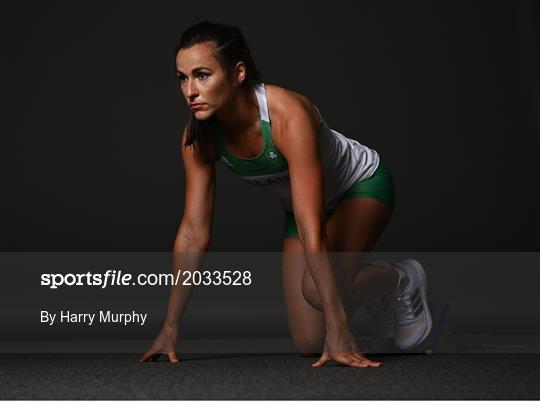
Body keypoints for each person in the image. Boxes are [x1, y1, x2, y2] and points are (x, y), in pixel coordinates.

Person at [140, 21, 432, 368]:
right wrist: (171, 327)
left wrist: (338, 329)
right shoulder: (198, 139)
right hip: (303, 209)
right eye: (182, 78)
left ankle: (400, 281)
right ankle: (365, 291)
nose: (190, 90)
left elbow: (313, 227)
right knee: (310, 341)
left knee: (315, 293)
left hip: (360, 187)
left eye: (202, 75)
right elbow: (192, 232)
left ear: (238, 73)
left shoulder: (287, 116)